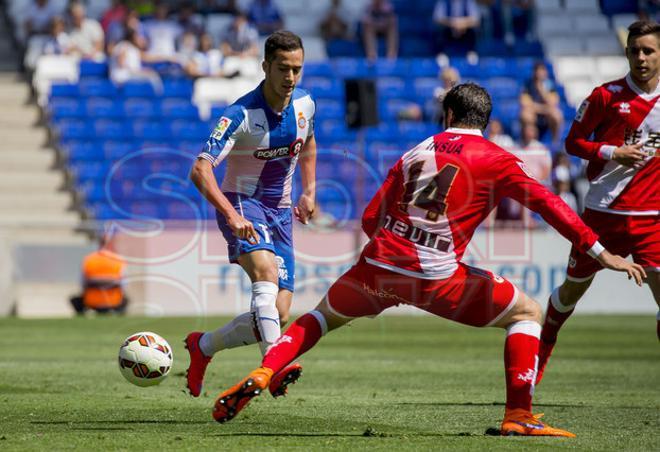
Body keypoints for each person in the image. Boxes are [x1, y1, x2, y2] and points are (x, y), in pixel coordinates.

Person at [211, 83, 646, 435]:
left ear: (449, 117)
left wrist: (391, 250)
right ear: (485, 122)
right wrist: (599, 251)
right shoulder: (499, 159)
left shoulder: (415, 151)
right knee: (529, 312)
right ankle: (519, 414)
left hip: (379, 267)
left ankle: (267, 371)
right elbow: (550, 205)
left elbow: (369, 218)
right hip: (437, 278)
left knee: (320, 317)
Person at [185, 31, 317, 400]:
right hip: (243, 203)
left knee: (277, 313)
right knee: (266, 273)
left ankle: (204, 346)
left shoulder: (306, 104)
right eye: (283, 69)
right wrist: (230, 214)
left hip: (281, 214)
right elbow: (200, 169)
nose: (290, 77)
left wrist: (309, 190)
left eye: (297, 69)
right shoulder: (240, 114)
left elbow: (308, 144)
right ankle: (273, 367)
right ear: (265, 67)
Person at [537, 20, 660, 384]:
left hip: (653, 218)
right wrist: (612, 152)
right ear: (626, 53)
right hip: (603, 213)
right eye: (635, 50)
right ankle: (539, 355)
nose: (641, 57)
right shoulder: (605, 96)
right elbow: (572, 142)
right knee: (571, 291)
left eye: (649, 51)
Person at [70, 235, 129, 315]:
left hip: (91, 301)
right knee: (127, 300)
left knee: (74, 299)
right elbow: (123, 285)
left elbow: (82, 283)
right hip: (114, 301)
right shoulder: (119, 260)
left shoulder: (89, 259)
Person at [519, 61, 564, 145]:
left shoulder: (550, 85)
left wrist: (541, 89)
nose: (539, 73)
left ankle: (555, 143)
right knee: (526, 115)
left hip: (546, 114)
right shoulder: (528, 84)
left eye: (542, 70)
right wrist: (544, 108)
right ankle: (530, 143)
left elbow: (553, 103)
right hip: (535, 113)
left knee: (557, 115)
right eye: (537, 70)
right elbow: (525, 103)